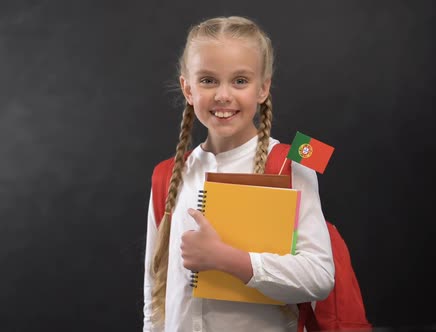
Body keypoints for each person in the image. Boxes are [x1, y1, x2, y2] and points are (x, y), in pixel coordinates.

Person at [142, 16, 335, 332]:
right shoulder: (167, 175)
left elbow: (319, 277)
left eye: (240, 81)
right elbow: (155, 290)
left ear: (263, 88)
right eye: (207, 80)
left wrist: (225, 259)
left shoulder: (290, 163)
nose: (223, 95)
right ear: (187, 88)